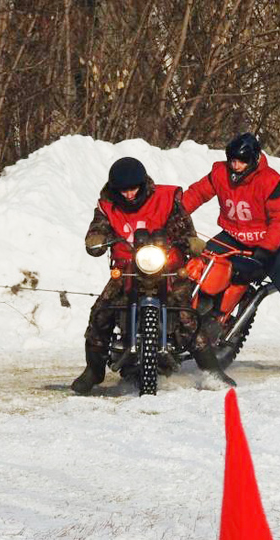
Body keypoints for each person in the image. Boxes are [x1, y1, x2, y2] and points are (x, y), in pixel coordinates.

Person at [71, 157, 235, 394]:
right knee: (101, 312)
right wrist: (95, 239)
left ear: (143, 184)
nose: (128, 194)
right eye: (123, 190)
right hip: (127, 270)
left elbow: (183, 226)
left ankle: (212, 371)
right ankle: (93, 370)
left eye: (133, 188)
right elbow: (98, 228)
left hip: (168, 268)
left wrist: (190, 241)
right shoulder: (107, 206)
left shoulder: (166, 200)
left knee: (187, 316)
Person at [182, 132, 280, 350]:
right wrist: (175, 213)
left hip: (267, 242)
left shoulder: (271, 182)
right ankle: (202, 316)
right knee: (199, 266)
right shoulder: (219, 173)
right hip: (232, 236)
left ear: (253, 160)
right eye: (232, 160)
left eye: (241, 161)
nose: (235, 166)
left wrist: (266, 249)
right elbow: (196, 194)